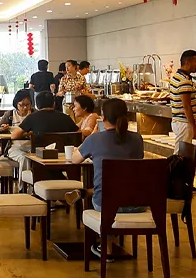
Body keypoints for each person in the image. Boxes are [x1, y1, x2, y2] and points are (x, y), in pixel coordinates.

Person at [72, 99, 146, 237]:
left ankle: (104, 243)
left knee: (102, 191)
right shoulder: (137, 139)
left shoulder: (94, 139)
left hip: (105, 204)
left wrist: (91, 137)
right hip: (137, 204)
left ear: (103, 117)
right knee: (116, 184)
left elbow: (74, 160)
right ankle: (108, 241)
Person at [0, 89, 35, 177]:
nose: (25, 108)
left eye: (27, 105)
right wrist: (1, 129)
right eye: (21, 105)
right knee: (24, 158)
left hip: (33, 146)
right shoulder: (10, 114)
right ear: (16, 104)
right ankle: (23, 184)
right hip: (15, 146)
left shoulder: (35, 113)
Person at [10, 91, 78, 139]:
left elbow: (14, 136)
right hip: (62, 152)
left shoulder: (32, 117)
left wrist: (28, 133)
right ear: (54, 104)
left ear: (37, 105)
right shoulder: (66, 118)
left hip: (39, 153)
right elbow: (78, 133)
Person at [169, 49, 196, 144]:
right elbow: (186, 106)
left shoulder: (176, 77)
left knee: (182, 149)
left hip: (178, 121)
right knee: (182, 151)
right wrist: (194, 127)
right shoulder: (184, 81)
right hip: (184, 122)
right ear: (187, 62)